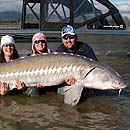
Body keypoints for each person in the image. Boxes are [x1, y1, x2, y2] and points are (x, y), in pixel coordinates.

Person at [56, 25, 98, 95]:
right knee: (60, 92)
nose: (68, 40)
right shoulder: (60, 51)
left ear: (76, 37)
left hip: (85, 82)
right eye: (65, 37)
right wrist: (66, 81)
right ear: (62, 39)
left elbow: (95, 67)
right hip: (67, 82)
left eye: (71, 37)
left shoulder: (85, 48)